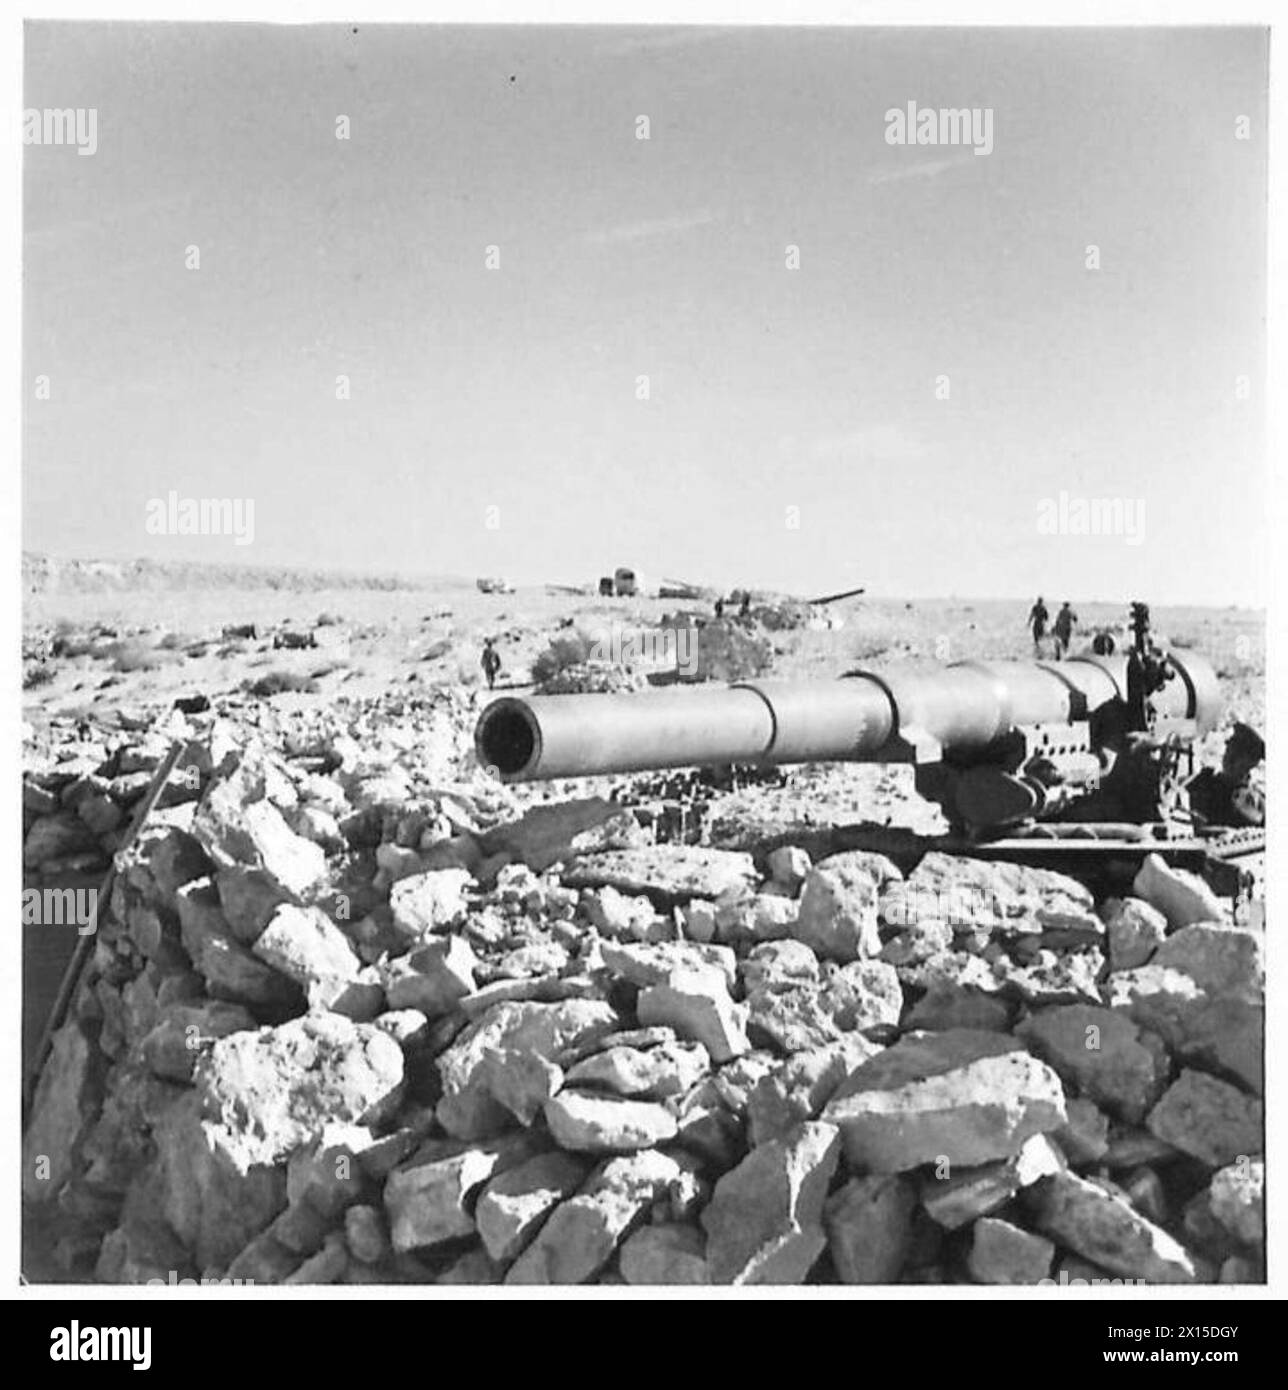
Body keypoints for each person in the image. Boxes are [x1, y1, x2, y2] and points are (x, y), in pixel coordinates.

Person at [1187, 722, 1265, 827]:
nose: (1228, 760)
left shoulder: (1255, 800)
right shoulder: (1205, 781)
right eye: (1228, 752)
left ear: (1251, 763)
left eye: (1236, 757)